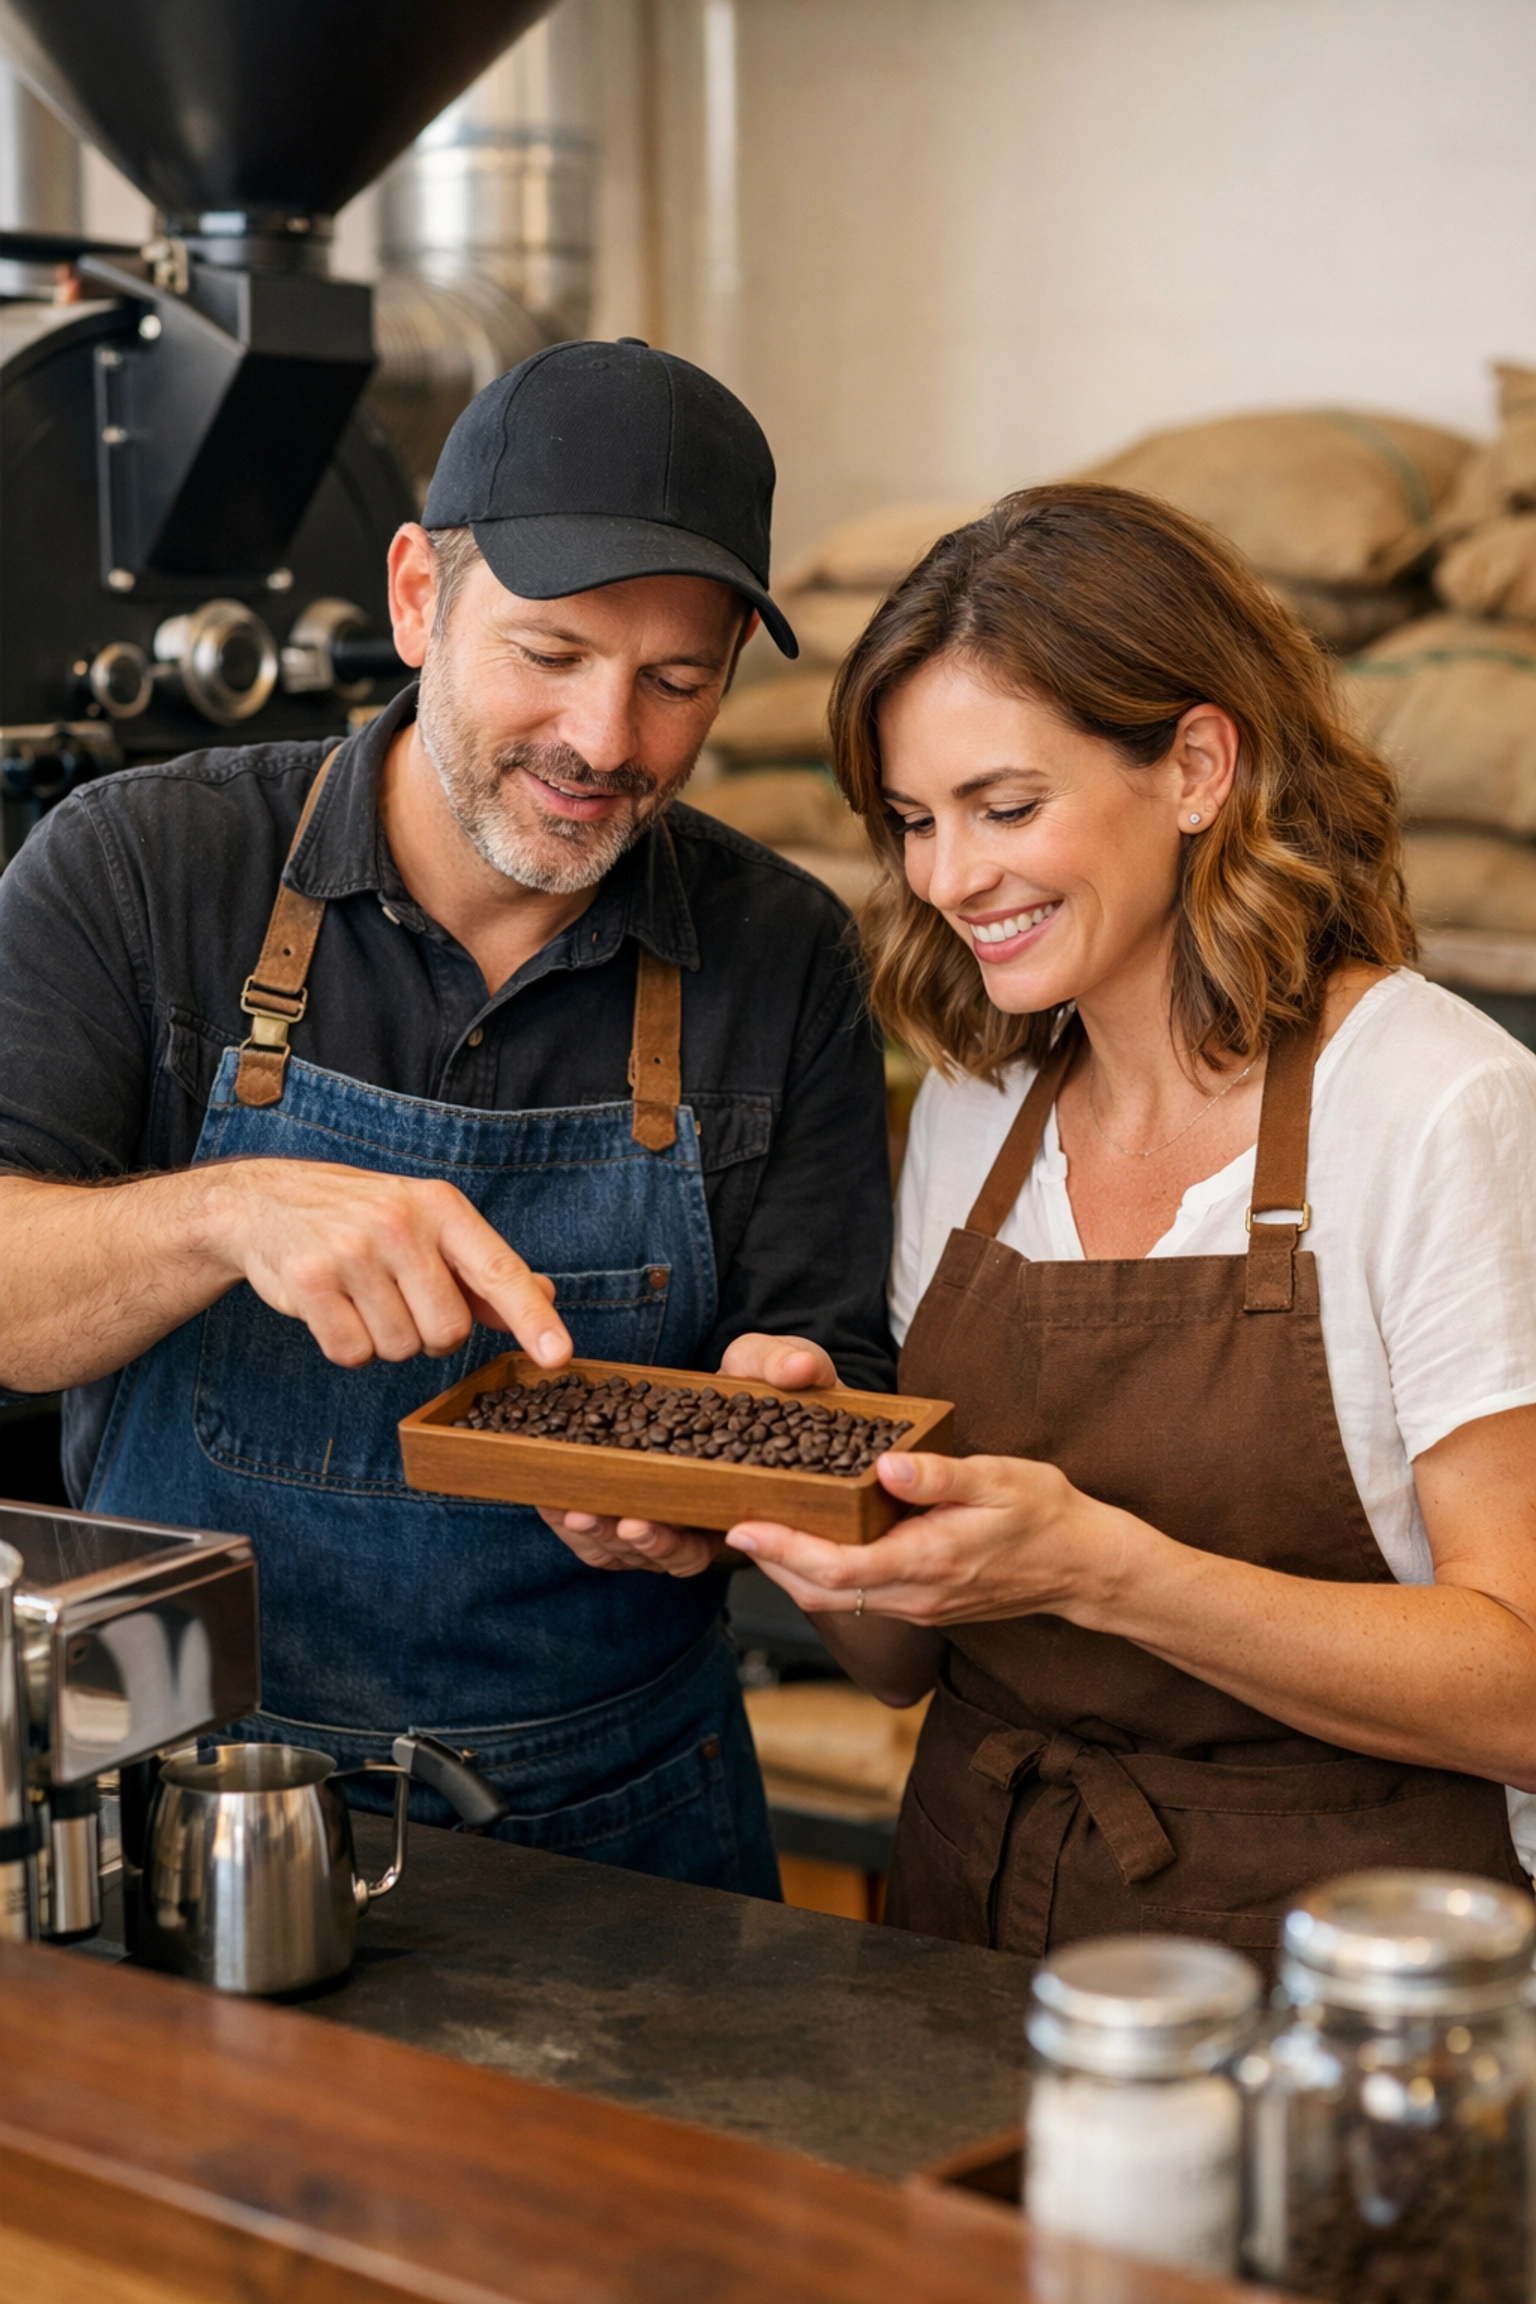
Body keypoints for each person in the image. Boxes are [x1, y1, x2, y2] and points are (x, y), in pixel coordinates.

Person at [0, 339, 894, 1897]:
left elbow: (830, 1386)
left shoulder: (783, 952)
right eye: (550, 652)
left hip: (624, 1829)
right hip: (185, 1789)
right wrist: (228, 1212)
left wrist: (746, 1460)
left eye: (677, 682)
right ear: (417, 598)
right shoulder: (144, 869)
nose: (605, 741)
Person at [721, 482, 1536, 1961]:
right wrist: (803, 1495)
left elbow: (1522, 1689)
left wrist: (1108, 1571)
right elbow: (900, 1664)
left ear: (1198, 768)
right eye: (913, 822)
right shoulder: (974, 1107)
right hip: (971, 1923)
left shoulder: (1436, 1107)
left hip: (1334, 1966)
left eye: (1006, 807)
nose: (949, 878)